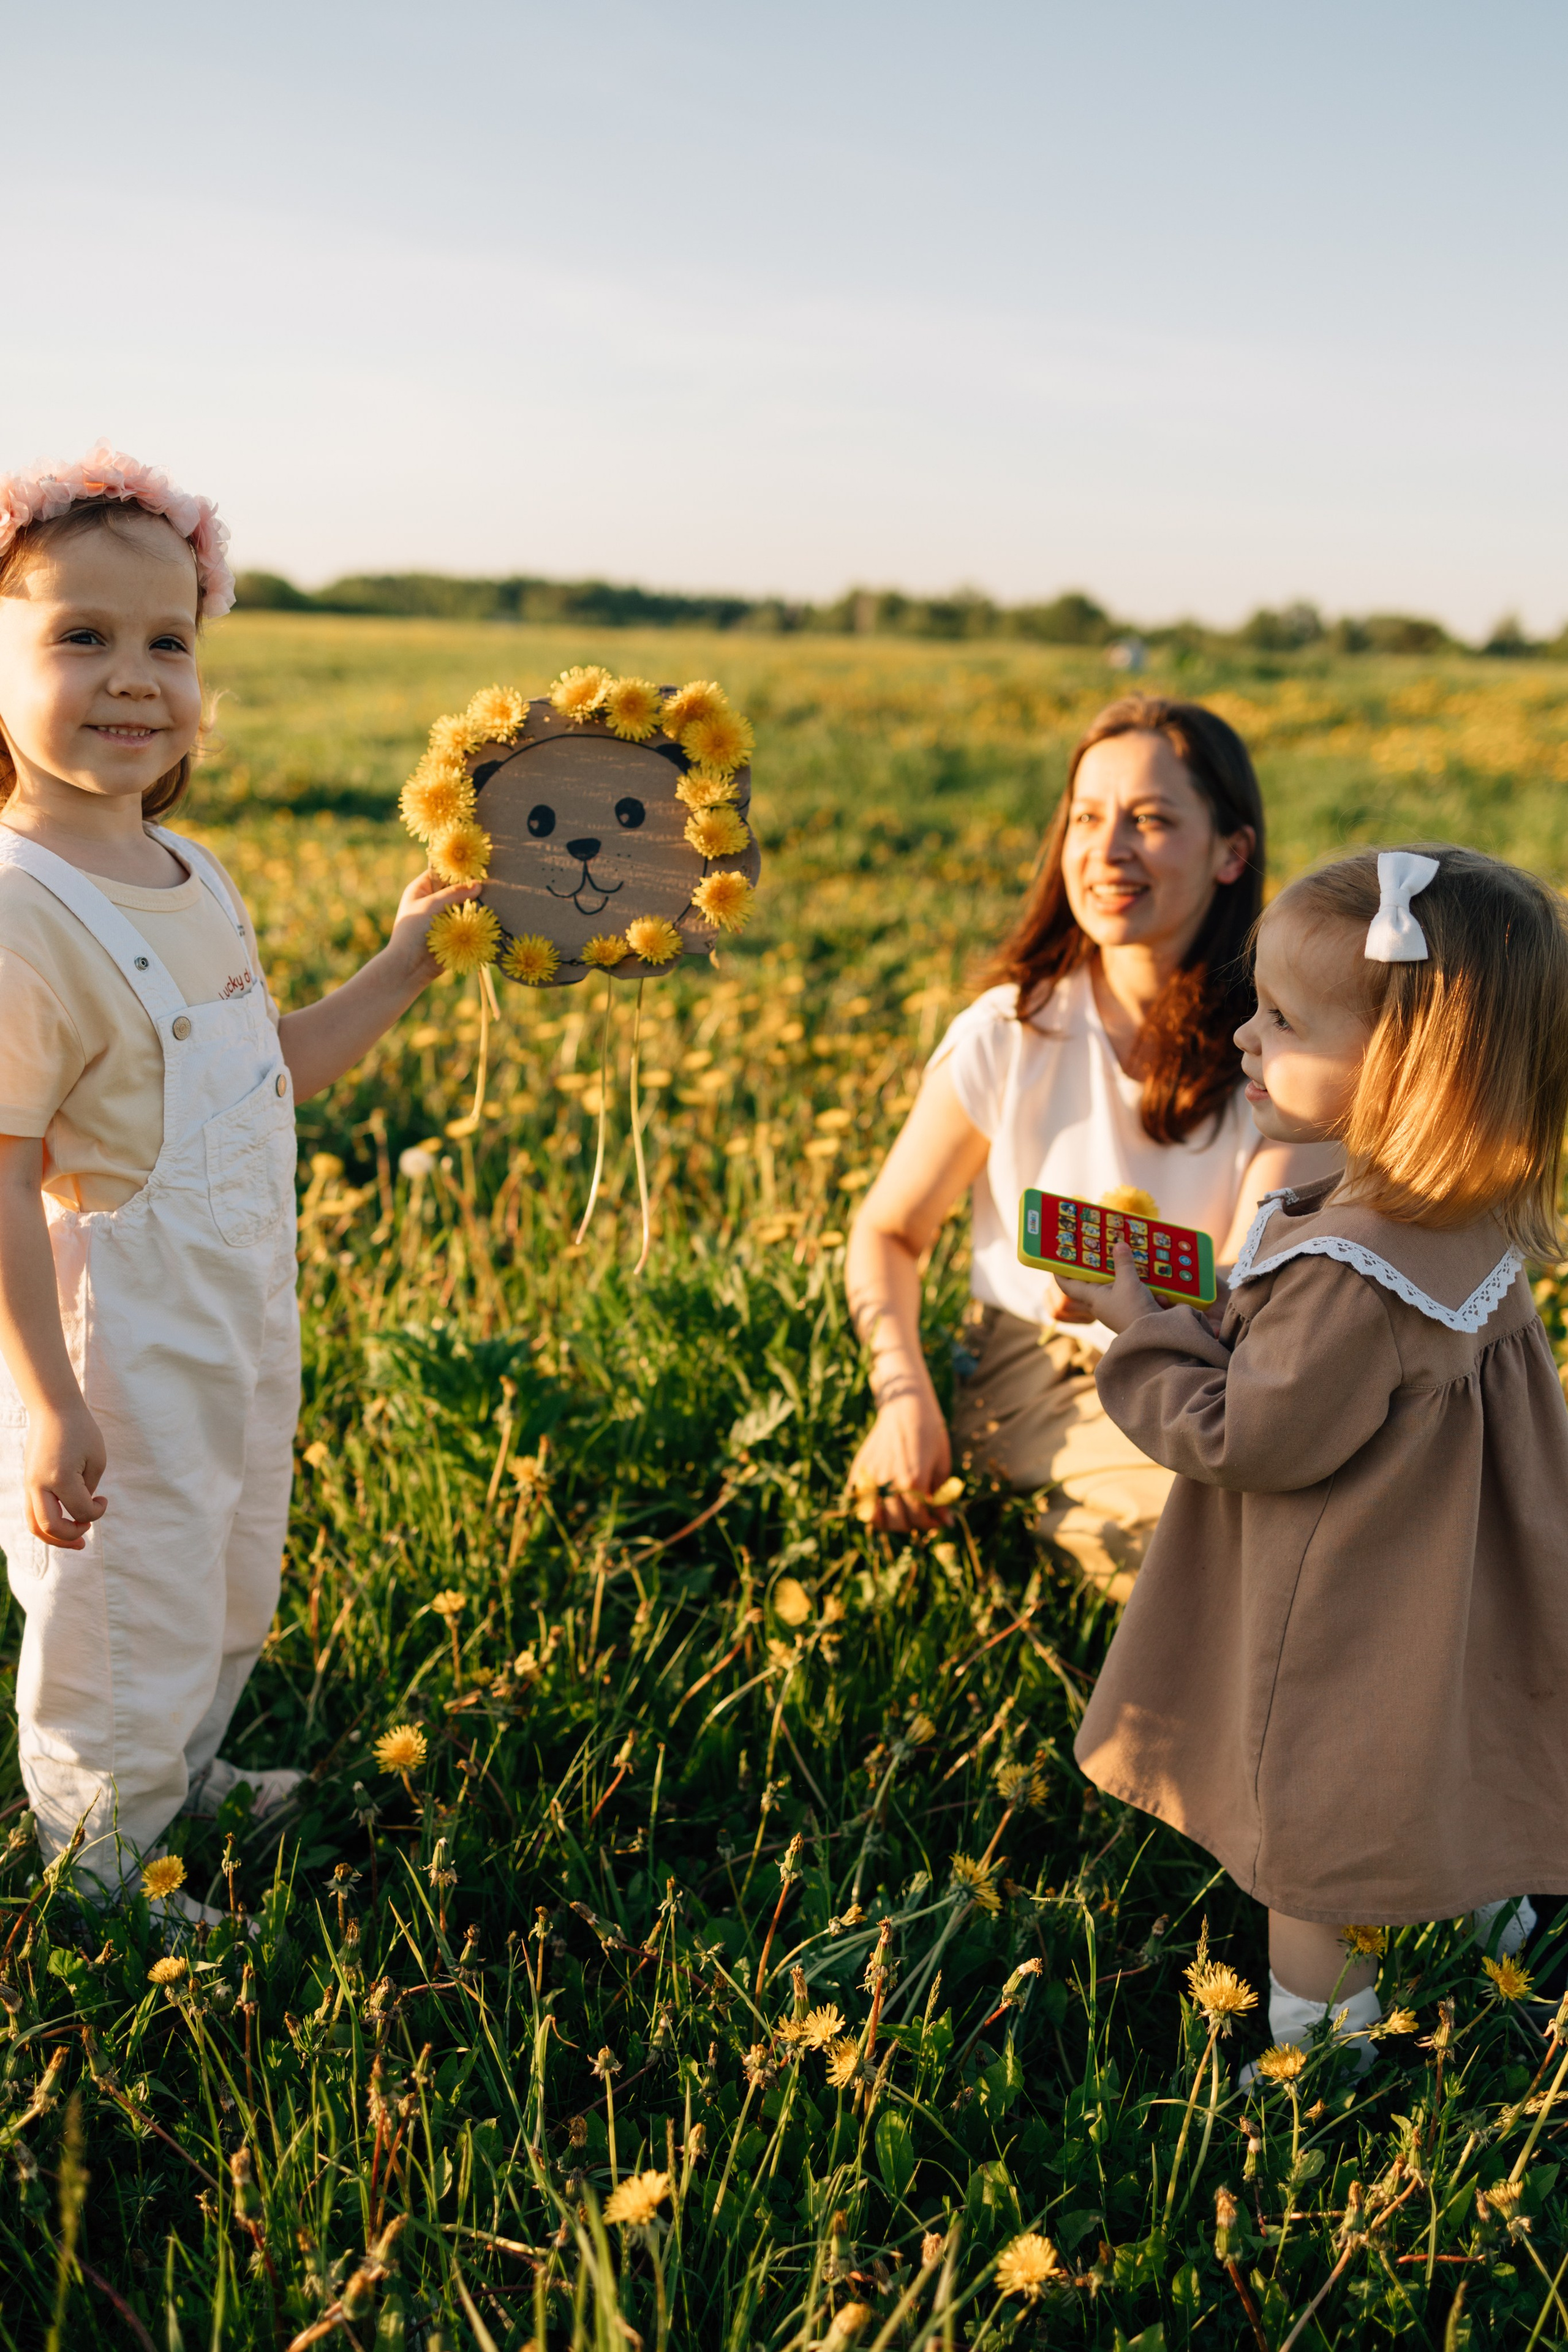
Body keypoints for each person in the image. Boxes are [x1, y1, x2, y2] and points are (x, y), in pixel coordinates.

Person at [0, 447, 475, 1924]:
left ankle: (180, 1773)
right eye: (80, 637)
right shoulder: (20, 911)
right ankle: (98, 1857)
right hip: (109, 1339)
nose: (133, 678)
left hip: (229, 1308)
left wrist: (400, 969)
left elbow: (263, 1069)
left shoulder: (191, 871)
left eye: (168, 641)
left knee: (221, 1557)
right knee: (118, 1603)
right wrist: (48, 1400)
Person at [1066, 845, 1568, 2066]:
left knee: (1318, 1828)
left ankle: (1319, 2063)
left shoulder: (1346, 1271)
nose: (1244, 1035)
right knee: (1440, 1755)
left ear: (1403, 1073)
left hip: (1344, 1612)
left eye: (1283, 1018)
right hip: (1444, 1594)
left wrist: (1140, 1333)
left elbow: (1245, 1433)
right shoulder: (1465, 1215)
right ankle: (1486, 1939)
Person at [845, 695, 1334, 1591]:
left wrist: (1137, 1303)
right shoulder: (1011, 1032)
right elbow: (889, 1233)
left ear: (1234, 852)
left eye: (1150, 820)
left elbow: (1256, 1283)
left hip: (1221, 1364)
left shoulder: (1277, 1053)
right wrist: (904, 1393)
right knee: (1232, 1547)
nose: (1107, 852)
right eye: (1086, 818)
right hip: (1042, 1372)